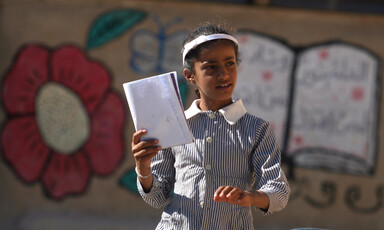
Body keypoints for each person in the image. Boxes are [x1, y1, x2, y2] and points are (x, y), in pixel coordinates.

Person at [131, 22, 290, 230]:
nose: (223, 74)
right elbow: (157, 198)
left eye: (230, 63)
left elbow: (279, 192)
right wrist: (143, 168)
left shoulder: (257, 129)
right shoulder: (173, 125)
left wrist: (251, 197)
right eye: (210, 67)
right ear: (190, 75)